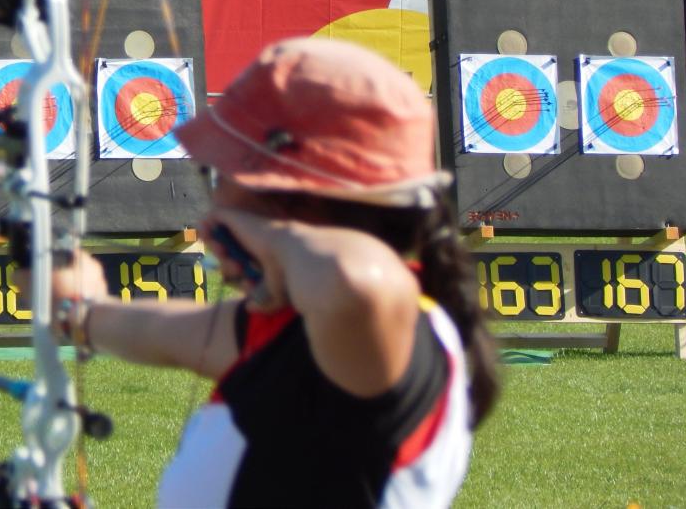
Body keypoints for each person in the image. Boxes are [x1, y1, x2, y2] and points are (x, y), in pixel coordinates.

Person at [47, 37, 498, 508]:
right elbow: (151, 331)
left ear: (289, 192)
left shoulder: (388, 330)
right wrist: (78, 307)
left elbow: (356, 280)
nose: (213, 206)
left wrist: (263, 235)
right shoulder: (287, 326)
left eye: (223, 178)